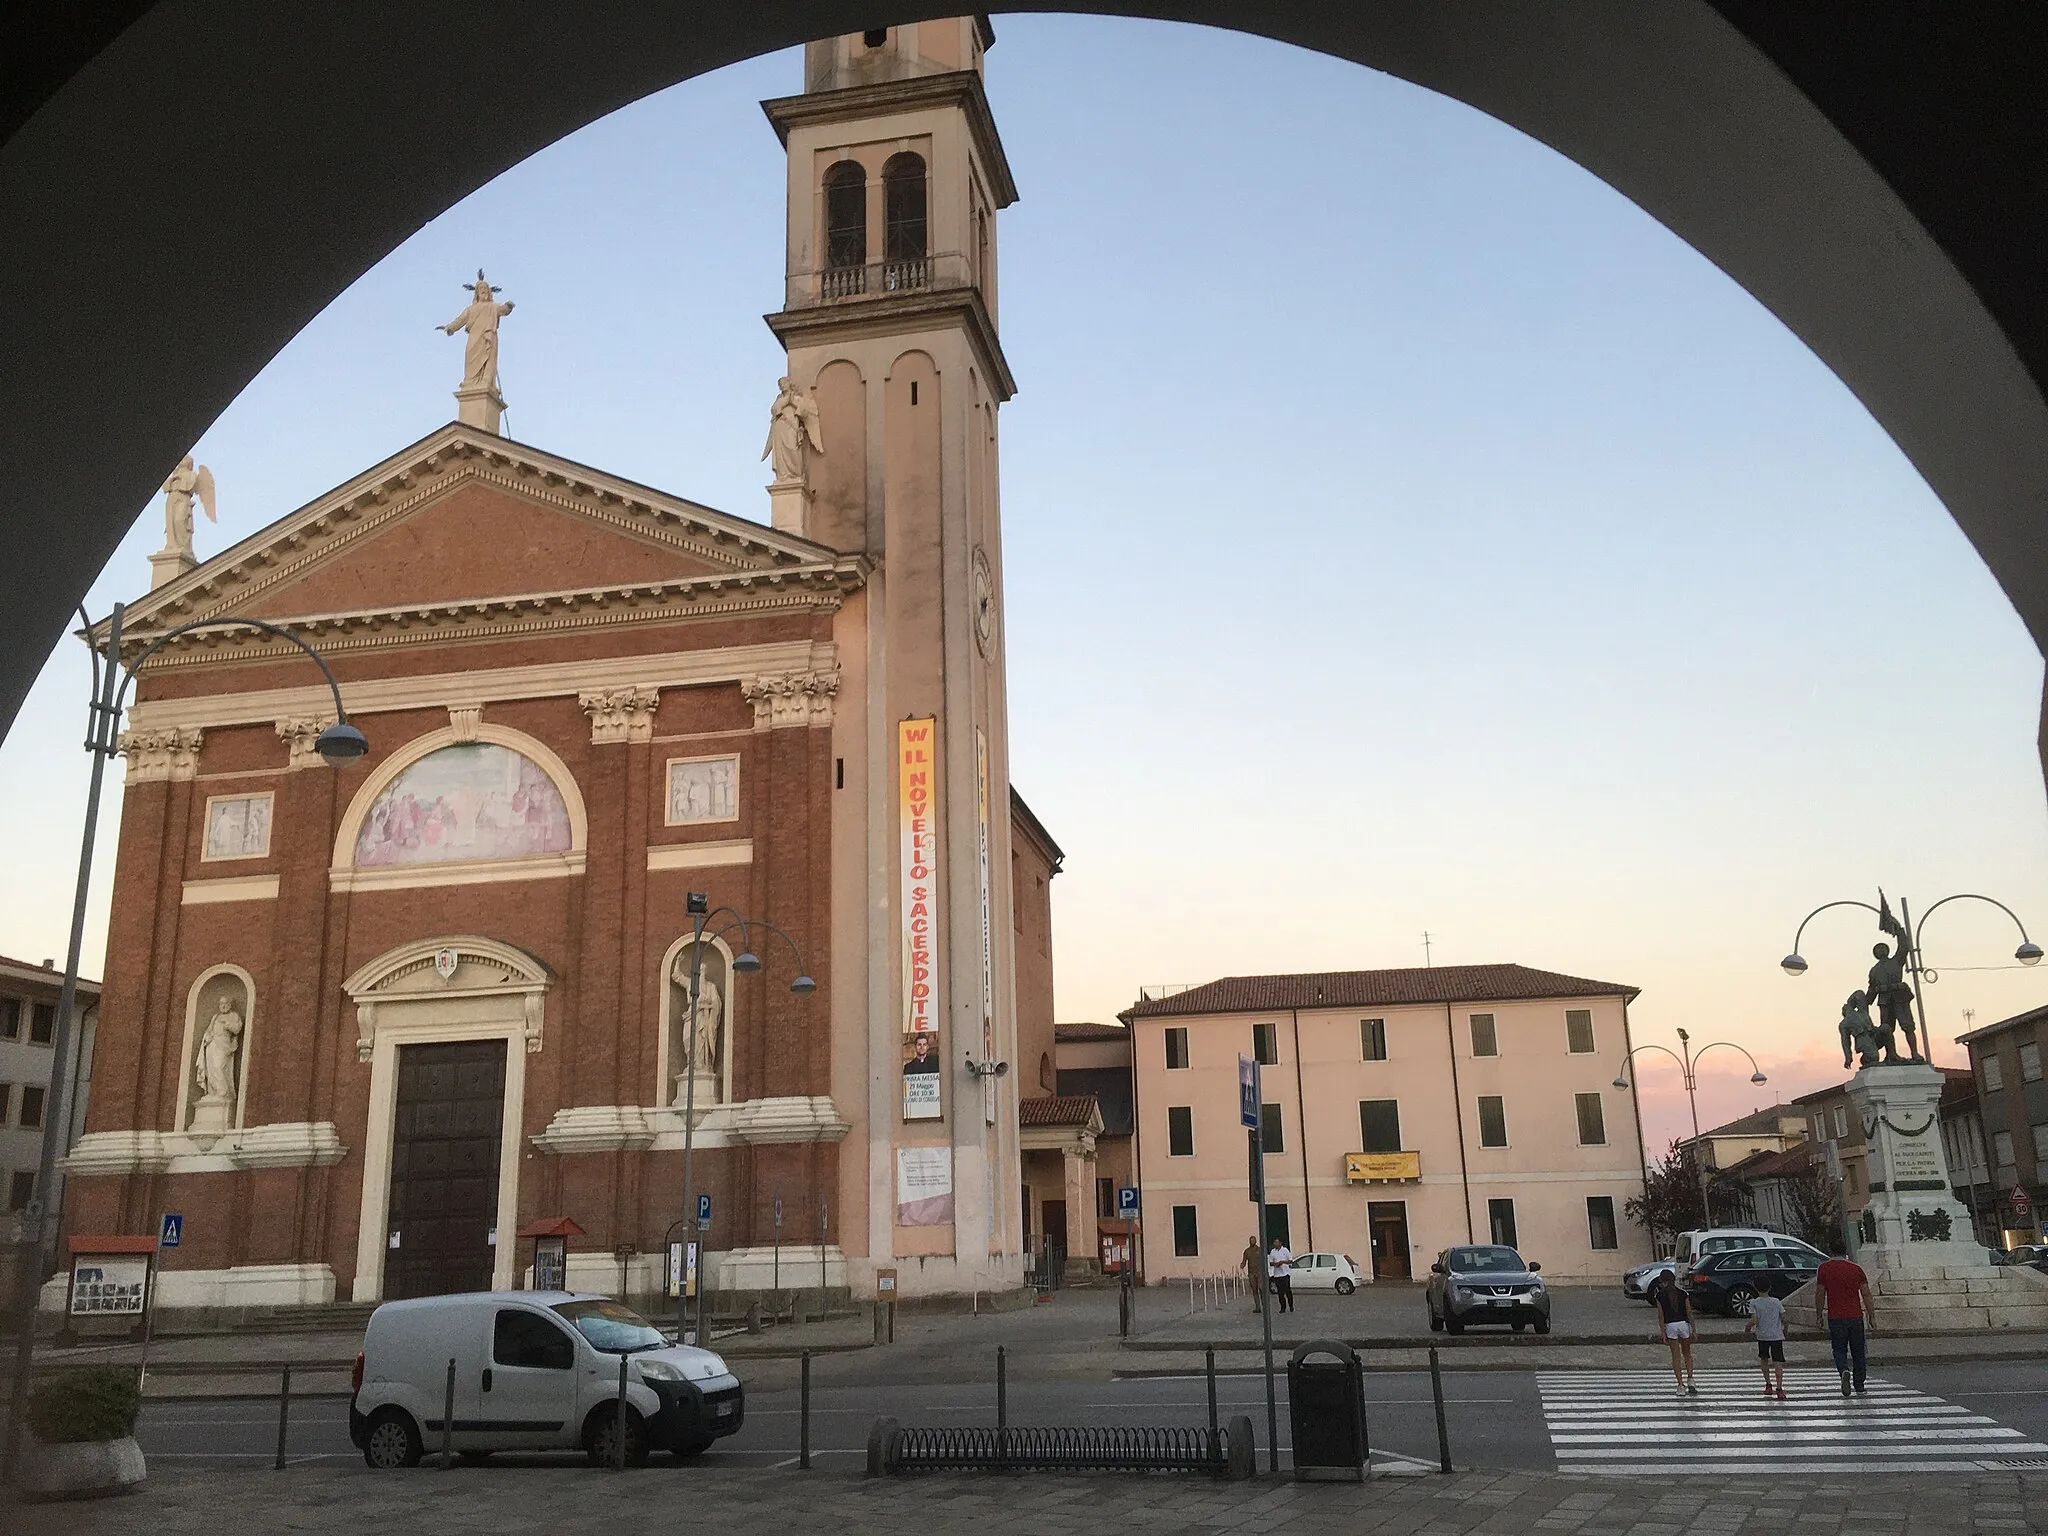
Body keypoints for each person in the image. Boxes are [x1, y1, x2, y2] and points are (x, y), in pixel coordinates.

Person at [1815, 1240, 1875, 1396]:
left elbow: (1820, 1293)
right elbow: (1866, 1293)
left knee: (1839, 1349)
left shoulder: (1824, 1269)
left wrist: (1819, 1314)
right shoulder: (1856, 1269)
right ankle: (1859, 1384)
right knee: (1858, 1351)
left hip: (1836, 1317)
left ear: (1830, 1250)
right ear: (1845, 1250)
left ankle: (1843, 1370)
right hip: (1855, 1316)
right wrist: (1871, 1315)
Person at [1650, 1271, 1698, 1395]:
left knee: (1675, 1356)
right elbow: (1689, 1313)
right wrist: (1694, 1329)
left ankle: (1680, 1385)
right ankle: (1691, 1379)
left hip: (1670, 1326)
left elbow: (1661, 1316)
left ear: (1662, 1281)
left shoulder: (1660, 1295)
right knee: (1687, 1353)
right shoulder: (1683, 1293)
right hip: (1683, 1324)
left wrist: (1663, 1332)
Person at [1746, 1286, 1788, 1399]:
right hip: (1776, 1336)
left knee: (1764, 1359)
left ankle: (1768, 1384)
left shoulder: (1754, 1302)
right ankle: (1779, 1388)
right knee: (1778, 1362)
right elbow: (1784, 1318)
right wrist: (1785, 1330)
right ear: (1769, 1288)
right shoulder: (1776, 1302)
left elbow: (1754, 1320)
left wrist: (1747, 1328)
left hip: (1762, 1336)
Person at [1268, 1237, 1295, 1313]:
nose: (1275, 1244)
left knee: (1287, 1291)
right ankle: (1283, 1307)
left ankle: (1291, 1305)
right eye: (1274, 1242)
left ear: (1280, 1243)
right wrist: (1275, 1264)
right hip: (1277, 1274)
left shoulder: (1285, 1250)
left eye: (1276, 1242)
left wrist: (1282, 1262)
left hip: (1285, 1273)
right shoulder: (1272, 1252)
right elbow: (1270, 1262)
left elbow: (1290, 1261)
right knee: (1280, 1293)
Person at [1241, 1237, 1265, 1313]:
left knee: (1261, 1289)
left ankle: (1264, 1306)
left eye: (1253, 1240)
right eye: (1251, 1240)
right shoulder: (1247, 1251)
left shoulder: (1260, 1250)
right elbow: (1244, 1261)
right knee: (1254, 1290)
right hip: (1251, 1273)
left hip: (1260, 1272)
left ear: (1256, 1241)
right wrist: (1242, 1265)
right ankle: (1257, 1307)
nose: (1252, 1242)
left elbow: (1264, 1260)